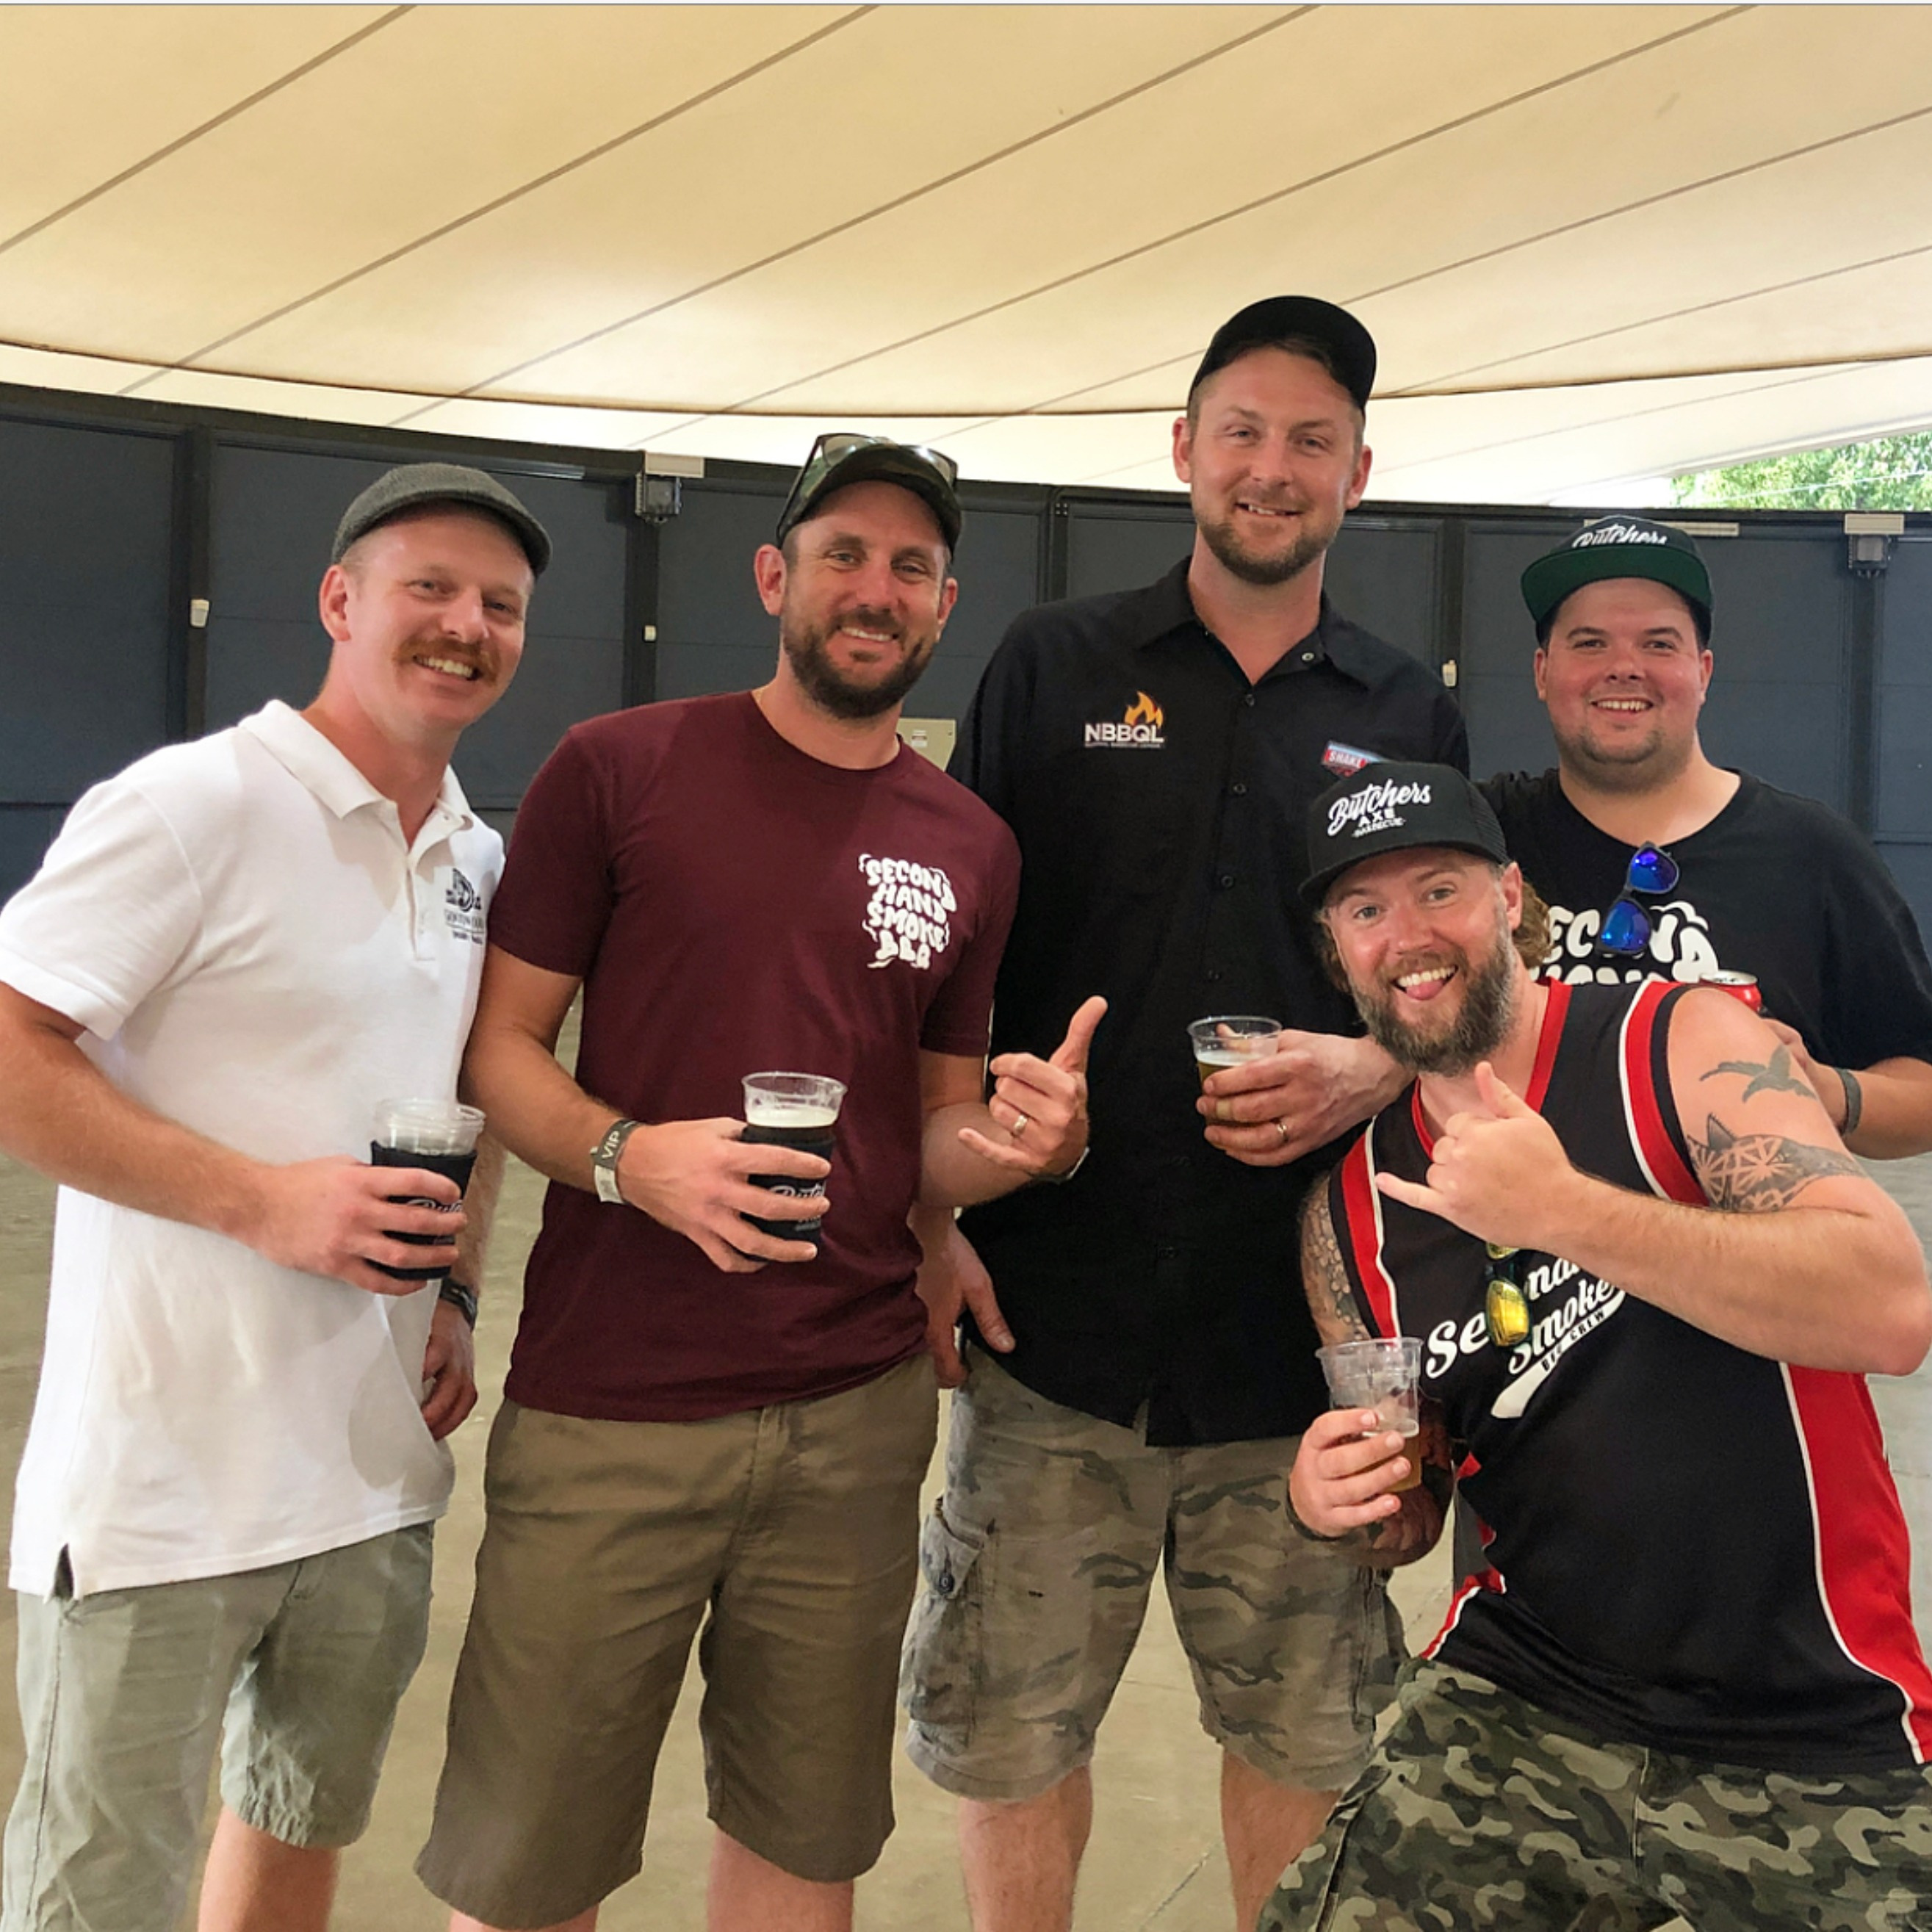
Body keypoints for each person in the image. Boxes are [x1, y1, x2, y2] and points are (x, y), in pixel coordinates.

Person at [415, 433, 1102, 1932]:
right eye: (844, 554)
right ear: (774, 575)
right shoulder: (620, 767)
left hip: (850, 1416)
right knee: (527, 1861)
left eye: (911, 567)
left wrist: (1014, 1150)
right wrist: (630, 1158)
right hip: (612, 1406)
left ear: (944, 606)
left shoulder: (969, 846)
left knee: (803, 1844)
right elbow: (501, 1051)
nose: (876, 589)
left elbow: (930, 1130)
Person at [902, 297, 1468, 1932]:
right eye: (1243, 432)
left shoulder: (1405, 705)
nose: (1271, 469)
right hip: (1053, 1321)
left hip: (1299, 1335)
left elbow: (1454, 979)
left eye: (1311, 442)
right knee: (1015, 1733)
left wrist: (1372, 1068)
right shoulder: (1052, 662)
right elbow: (945, 956)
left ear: (1359, 473)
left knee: (1300, 1735)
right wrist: (931, 1212)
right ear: (1183, 449)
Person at [0, 461, 548, 1932]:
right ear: (339, 602)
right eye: (429, 587)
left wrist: (455, 1288)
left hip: (367, 1484)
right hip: (158, 1502)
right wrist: (260, 1204)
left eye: (499, 605)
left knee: (296, 1835)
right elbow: (12, 1044)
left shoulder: (478, 858)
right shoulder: (197, 805)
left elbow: (474, 1085)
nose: (466, 624)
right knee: (97, 1895)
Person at [1261, 759, 1932, 1932]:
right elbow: (1408, 1510)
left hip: (1808, 1715)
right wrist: (1340, 1501)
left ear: (1509, 897)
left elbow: (1888, 1303)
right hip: (1524, 1696)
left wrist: (1563, 1211)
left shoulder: (1680, 1042)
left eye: (1438, 889)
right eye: (1365, 909)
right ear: (1337, 952)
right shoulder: (1349, 1213)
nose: (1407, 936)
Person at [1482, 514, 1932, 1156]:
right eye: (1589, 643)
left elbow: (1922, 1083)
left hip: (1735, 1221)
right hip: (1507, 1217)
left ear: (1704, 671)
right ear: (1541, 672)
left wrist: (1828, 1092)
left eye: (1659, 644)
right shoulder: (1479, 838)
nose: (1624, 668)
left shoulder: (1813, 855)